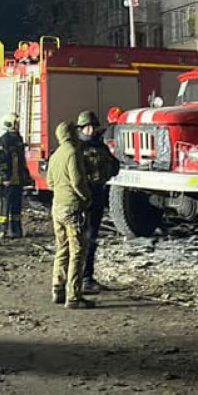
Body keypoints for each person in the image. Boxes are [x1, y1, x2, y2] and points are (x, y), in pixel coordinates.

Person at [47, 119, 92, 309]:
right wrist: (87, 198)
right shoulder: (73, 153)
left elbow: (49, 182)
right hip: (72, 208)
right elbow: (78, 182)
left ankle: (57, 288)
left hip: (57, 207)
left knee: (62, 248)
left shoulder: (55, 155)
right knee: (77, 252)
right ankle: (74, 296)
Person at [77, 110, 121, 294]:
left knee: (92, 239)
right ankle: (80, 279)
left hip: (98, 195)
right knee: (81, 240)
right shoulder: (76, 148)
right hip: (83, 199)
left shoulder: (101, 147)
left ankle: (87, 276)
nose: (92, 130)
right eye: (89, 127)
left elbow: (114, 166)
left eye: (94, 127)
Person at [0, 113, 31, 238]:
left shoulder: (18, 139)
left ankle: (16, 229)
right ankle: (2, 229)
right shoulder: (4, 140)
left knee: (16, 205)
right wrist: (4, 177)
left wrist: (26, 176)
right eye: (16, 123)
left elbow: (21, 160)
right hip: (8, 180)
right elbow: (1, 160)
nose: (18, 125)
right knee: (5, 205)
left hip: (18, 179)